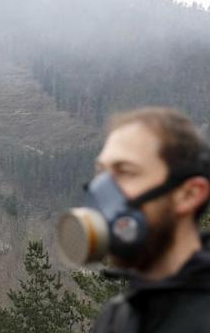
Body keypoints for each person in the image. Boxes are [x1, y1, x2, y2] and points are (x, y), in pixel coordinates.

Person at [90, 107, 210, 332]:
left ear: (189, 194)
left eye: (125, 171)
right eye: (101, 172)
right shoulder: (116, 317)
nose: (102, 190)